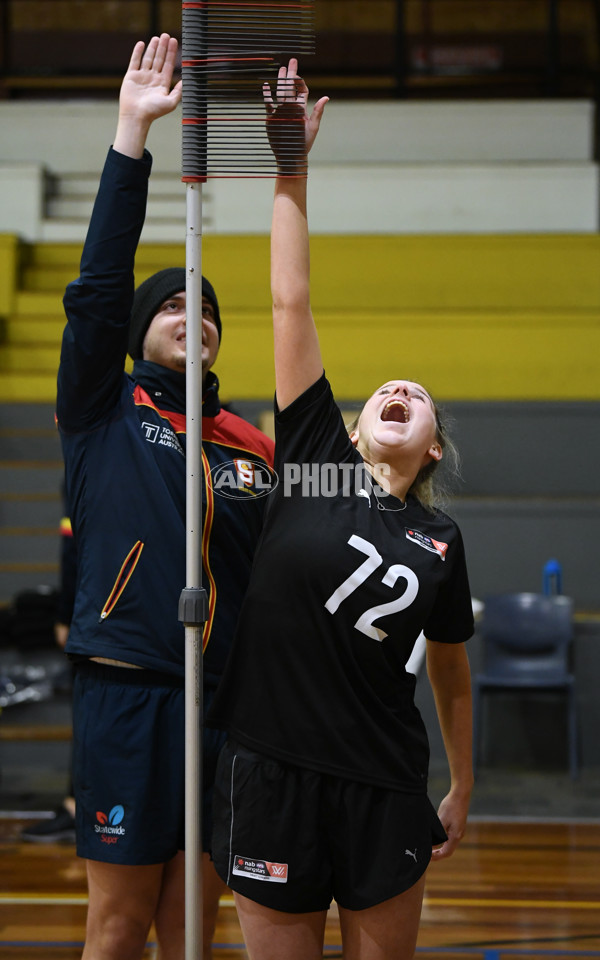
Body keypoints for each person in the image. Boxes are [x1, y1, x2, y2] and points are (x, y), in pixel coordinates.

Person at [209, 61, 474, 960]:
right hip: (272, 770)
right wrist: (291, 167)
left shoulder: (441, 538)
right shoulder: (314, 460)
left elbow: (451, 672)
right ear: (354, 430)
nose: (401, 390)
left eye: (420, 396)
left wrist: (463, 784)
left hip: (385, 785)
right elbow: (290, 300)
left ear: (431, 449)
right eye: (386, 390)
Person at [56, 35, 274, 960]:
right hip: (128, 692)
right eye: (175, 305)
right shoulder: (102, 408)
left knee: (194, 928)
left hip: (223, 704)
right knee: (117, 925)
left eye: (208, 309)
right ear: (141, 331)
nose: (195, 317)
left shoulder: (252, 446)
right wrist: (131, 137)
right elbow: (99, 288)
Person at [21, 497, 77, 844]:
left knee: (91, 711)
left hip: (100, 608)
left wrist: (65, 613)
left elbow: (73, 545)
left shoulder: (86, 466)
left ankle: (77, 806)